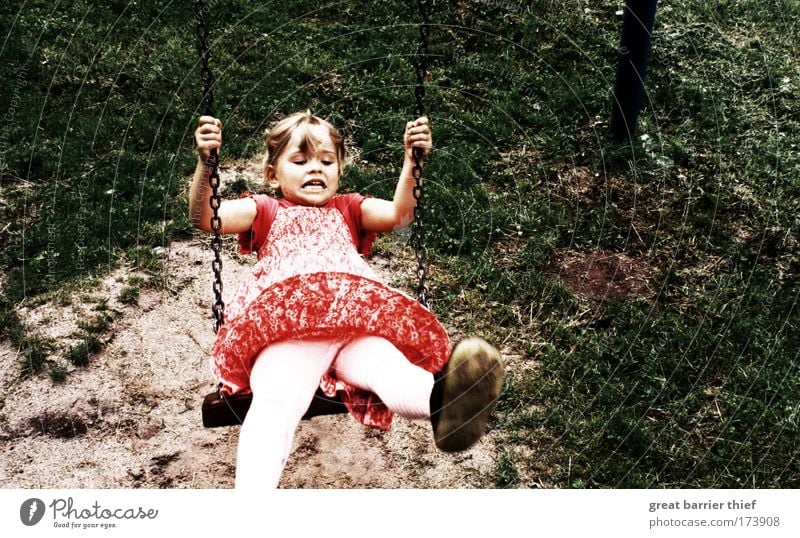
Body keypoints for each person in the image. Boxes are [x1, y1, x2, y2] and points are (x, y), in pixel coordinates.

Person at [189, 111, 505, 488]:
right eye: (300, 160)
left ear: (339, 170)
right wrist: (206, 164)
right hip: (291, 332)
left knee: (392, 372)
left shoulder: (349, 208)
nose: (315, 169)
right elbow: (206, 217)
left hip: (356, 327)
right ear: (272, 174)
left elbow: (399, 214)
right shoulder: (265, 210)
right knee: (275, 403)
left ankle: (444, 405)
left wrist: (412, 162)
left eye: (326, 161)